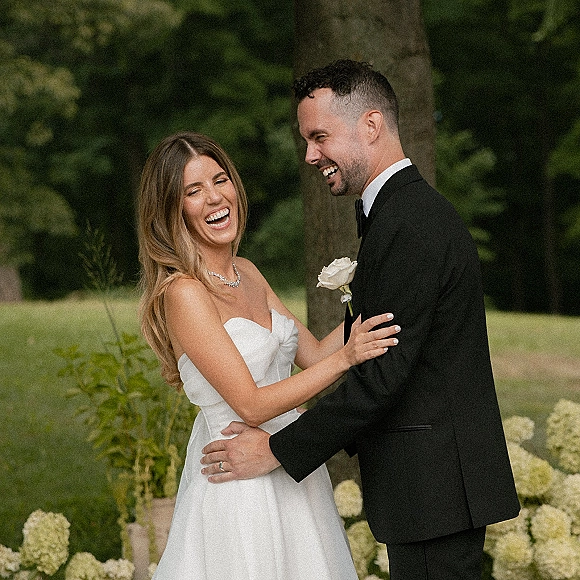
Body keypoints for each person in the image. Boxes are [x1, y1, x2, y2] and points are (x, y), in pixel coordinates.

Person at [201, 60, 521, 580]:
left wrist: (277, 451)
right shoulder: (398, 215)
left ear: (370, 126)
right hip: (429, 489)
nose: (310, 155)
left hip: (434, 491)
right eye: (307, 140)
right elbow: (374, 356)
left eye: (319, 136)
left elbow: (381, 379)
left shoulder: (411, 223)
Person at [137, 130, 401, 580]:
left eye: (220, 180)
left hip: (290, 468)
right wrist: (349, 357)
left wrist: (381, 293)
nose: (215, 198)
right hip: (240, 479)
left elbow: (315, 354)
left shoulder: (247, 272)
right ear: (171, 210)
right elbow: (251, 404)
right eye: (193, 191)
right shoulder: (183, 293)